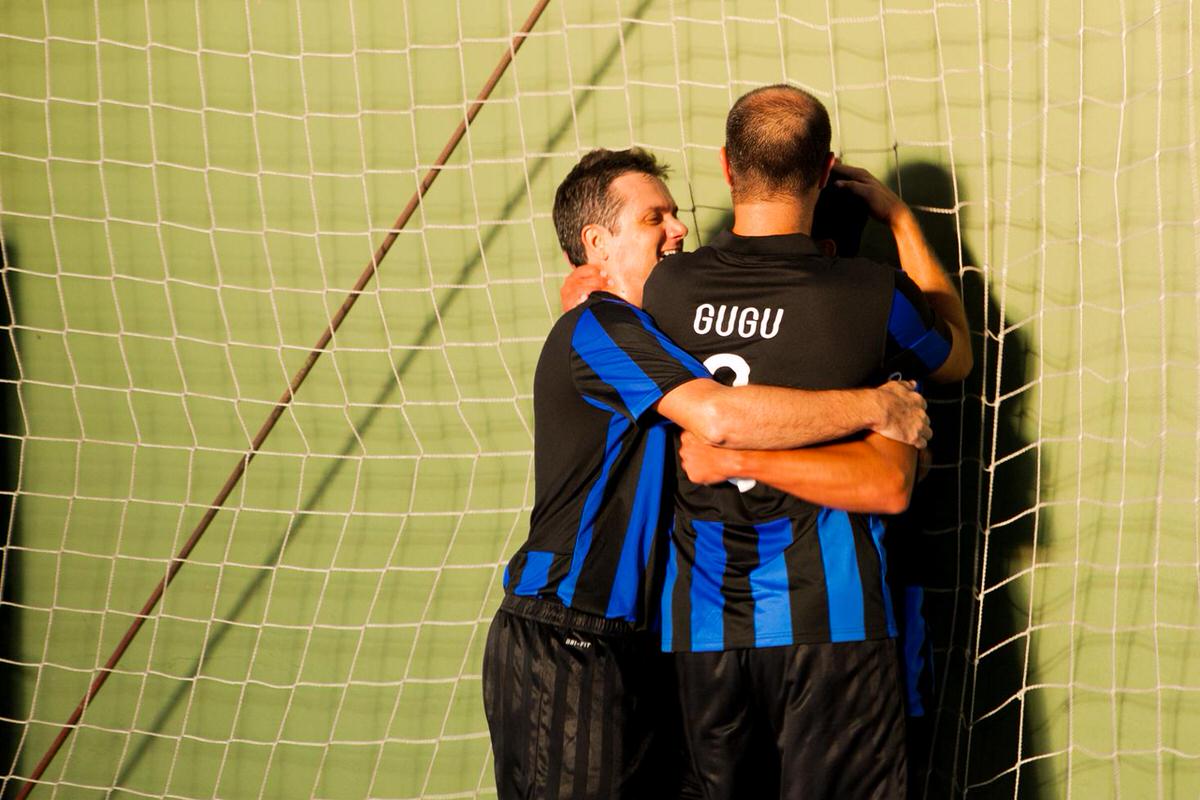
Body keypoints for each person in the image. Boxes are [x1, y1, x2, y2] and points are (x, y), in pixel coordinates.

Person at [480, 147, 934, 799]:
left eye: (674, 214)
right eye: (654, 218)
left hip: (640, 644)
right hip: (567, 634)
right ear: (596, 243)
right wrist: (876, 406)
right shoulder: (600, 325)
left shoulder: (659, 331)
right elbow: (719, 416)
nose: (679, 228)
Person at [639, 84, 972, 799]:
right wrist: (900, 220)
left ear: (726, 167)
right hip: (833, 623)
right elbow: (955, 358)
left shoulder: (665, 289)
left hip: (699, 626)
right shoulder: (871, 292)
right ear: (825, 171)